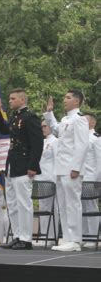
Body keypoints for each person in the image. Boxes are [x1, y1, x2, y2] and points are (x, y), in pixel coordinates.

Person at [0, 88, 44, 250]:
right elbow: (4, 130)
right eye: (9, 99)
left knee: (24, 203)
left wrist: (33, 166)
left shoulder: (30, 117)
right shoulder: (16, 117)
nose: (10, 101)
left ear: (22, 100)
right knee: (13, 203)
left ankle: (26, 238)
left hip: (24, 165)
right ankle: (17, 235)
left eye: (13, 99)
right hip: (12, 164)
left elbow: (37, 143)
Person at [44, 89, 89, 252]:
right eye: (65, 97)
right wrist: (49, 114)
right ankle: (68, 238)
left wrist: (76, 167)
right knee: (63, 204)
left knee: (72, 203)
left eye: (68, 97)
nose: (64, 100)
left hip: (71, 168)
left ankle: (76, 240)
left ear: (76, 101)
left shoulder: (80, 119)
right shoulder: (65, 119)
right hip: (60, 167)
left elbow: (82, 144)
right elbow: (57, 131)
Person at [34, 120, 59, 246]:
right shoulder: (41, 141)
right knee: (42, 207)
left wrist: (55, 180)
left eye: (44, 125)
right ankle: (45, 236)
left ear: (50, 127)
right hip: (40, 179)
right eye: (41, 126)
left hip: (50, 179)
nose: (42, 128)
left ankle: (52, 236)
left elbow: (57, 161)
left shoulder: (55, 141)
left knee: (52, 208)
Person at [81, 113, 101, 248]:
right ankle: (83, 235)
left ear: (92, 123)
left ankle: (94, 237)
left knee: (91, 207)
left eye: (85, 121)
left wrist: (97, 181)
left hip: (91, 177)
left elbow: (99, 160)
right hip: (79, 177)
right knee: (80, 207)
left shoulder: (96, 138)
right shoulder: (79, 138)